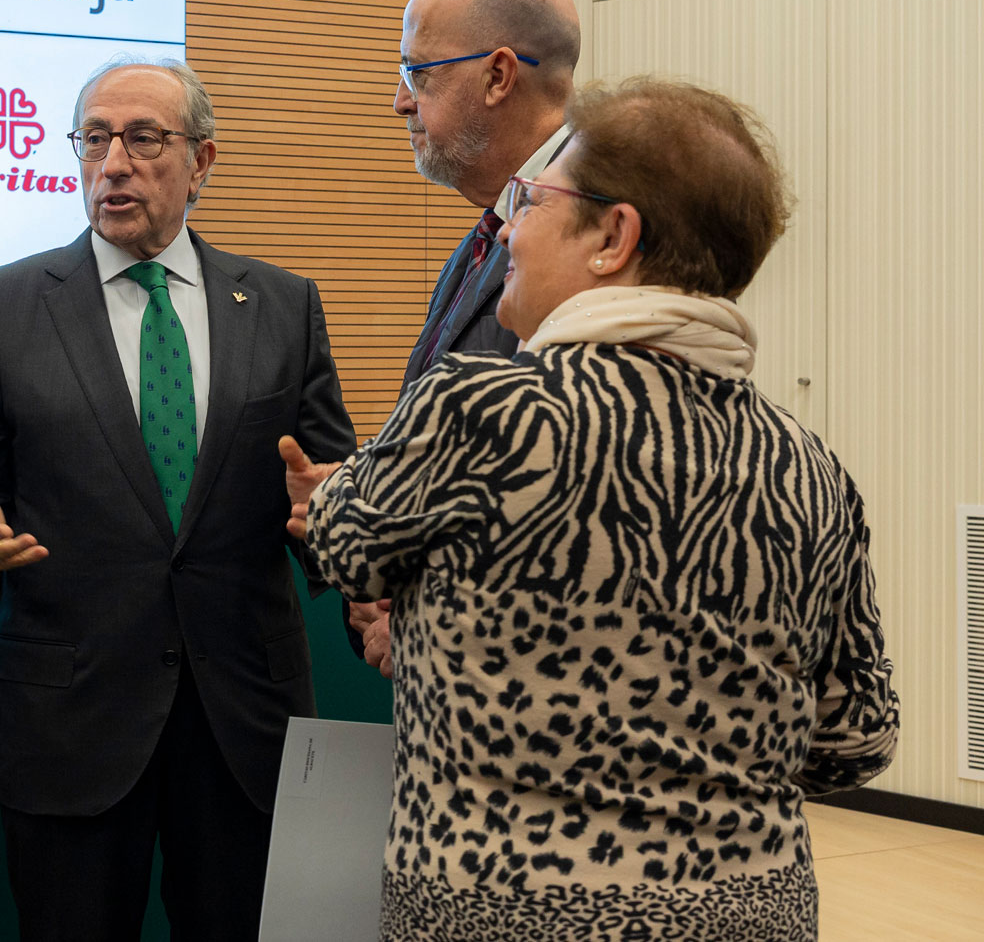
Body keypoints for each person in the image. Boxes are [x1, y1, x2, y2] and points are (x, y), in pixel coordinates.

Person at [287, 77, 899, 942]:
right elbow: (856, 738)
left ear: (614, 237)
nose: (508, 227)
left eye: (532, 200)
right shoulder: (813, 470)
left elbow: (346, 543)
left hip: (502, 913)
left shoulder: (481, 410)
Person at [0, 58, 356, 941]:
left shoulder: (281, 305)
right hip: (70, 727)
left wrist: (330, 520)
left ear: (201, 161)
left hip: (244, 727)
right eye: (94, 138)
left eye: (143, 138)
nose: (113, 162)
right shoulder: (6, 305)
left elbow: (333, 501)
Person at [352, 0, 582, 675]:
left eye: (418, 72)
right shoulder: (489, 230)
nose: (398, 100)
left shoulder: (595, 230)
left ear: (498, 75)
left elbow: (563, 487)